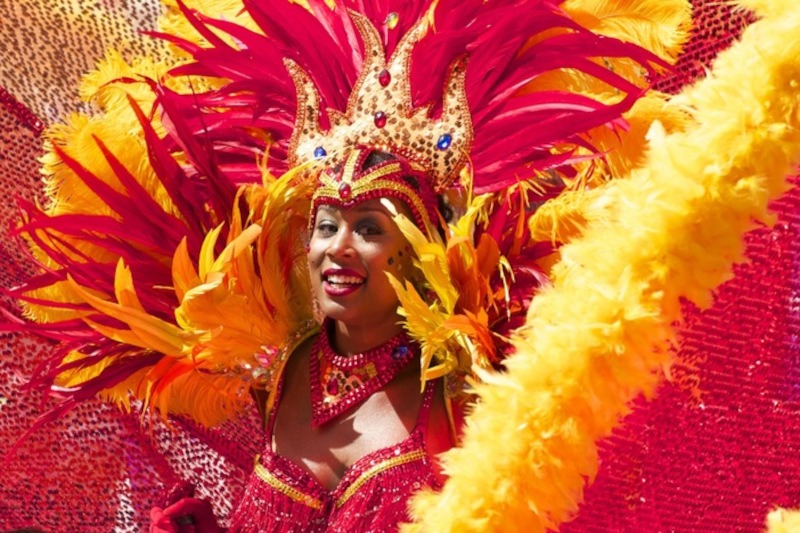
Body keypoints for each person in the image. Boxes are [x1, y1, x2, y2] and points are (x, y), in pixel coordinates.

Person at [5, 0, 707, 531]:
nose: (337, 248)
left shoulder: (465, 392)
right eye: (327, 224)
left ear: (416, 248)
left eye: (368, 228)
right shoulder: (285, 364)